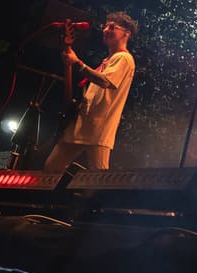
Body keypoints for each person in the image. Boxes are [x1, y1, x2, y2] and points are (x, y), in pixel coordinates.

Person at [43, 11, 138, 172]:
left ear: (126, 33)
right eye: (105, 26)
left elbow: (105, 81)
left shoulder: (124, 58)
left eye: (112, 27)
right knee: (51, 168)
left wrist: (78, 63)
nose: (105, 30)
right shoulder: (107, 60)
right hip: (81, 126)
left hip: (98, 129)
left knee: (98, 177)